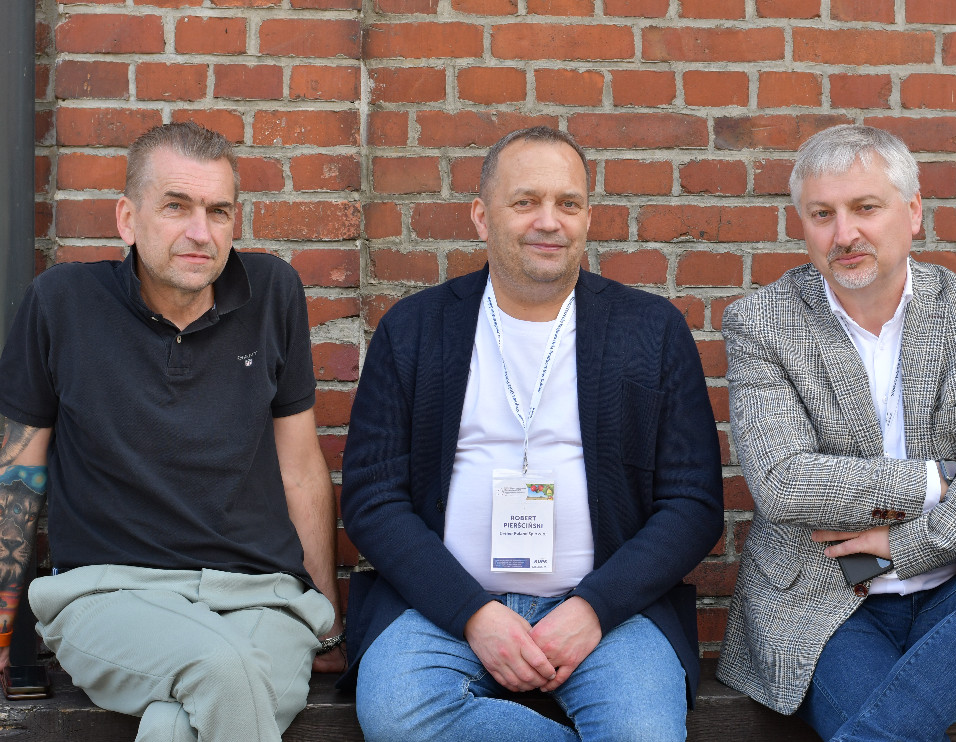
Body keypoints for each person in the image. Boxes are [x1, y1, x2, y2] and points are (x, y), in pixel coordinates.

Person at [340, 126, 724, 741]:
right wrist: (472, 613)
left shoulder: (650, 331)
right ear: (481, 217)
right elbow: (372, 498)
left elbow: (694, 504)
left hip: (606, 614)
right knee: (397, 713)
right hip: (444, 610)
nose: (550, 221)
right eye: (526, 202)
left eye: (568, 203)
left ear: (588, 218)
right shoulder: (414, 329)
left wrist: (593, 608)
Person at [716, 124, 956, 741]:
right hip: (820, 605)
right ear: (802, 224)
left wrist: (894, 547)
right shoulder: (762, 322)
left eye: (865, 208)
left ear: (913, 212)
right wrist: (937, 482)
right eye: (822, 214)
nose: (843, 234)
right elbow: (782, 483)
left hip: (952, 593)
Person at [0, 121, 345, 742]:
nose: (200, 232)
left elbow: (299, 469)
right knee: (223, 669)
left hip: (262, 599)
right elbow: (17, 474)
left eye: (219, 211)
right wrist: (1, 629)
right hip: (109, 596)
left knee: (178, 724)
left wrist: (327, 623)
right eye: (176, 207)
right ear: (127, 219)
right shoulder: (62, 303)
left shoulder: (273, 293)